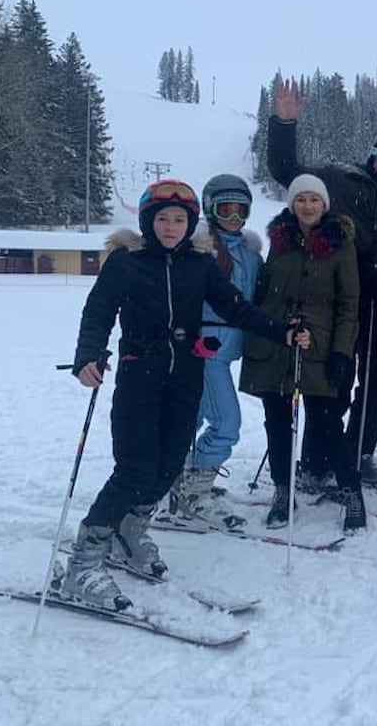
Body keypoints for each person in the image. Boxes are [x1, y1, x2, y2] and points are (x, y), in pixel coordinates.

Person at [63, 180, 307, 610]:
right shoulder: (126, 262)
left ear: (191, 223)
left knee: (170, 463)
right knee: (135, 469)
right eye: (162, 219)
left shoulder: (199, 264)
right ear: (147, 221)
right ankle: (83, 562)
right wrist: (89, 354)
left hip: (185, 379)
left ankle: (129, 531)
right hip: (140, 376)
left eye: (179, 219)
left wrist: (283, 332)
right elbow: (97, 312)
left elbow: (236, 307)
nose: (171, 227)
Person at [267, 80, 377, 488]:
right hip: (332, 303)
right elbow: (286, 172)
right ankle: (317, 461)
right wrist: (285, 123)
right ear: (372, 157)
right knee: (330, 383)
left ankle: (356, 456)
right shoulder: (339, 178)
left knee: (376, 389)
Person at [239, 175, 362, 532]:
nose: (307, 206)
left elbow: (348, 304)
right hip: (276, 343)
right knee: (277, 423)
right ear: (292, 204)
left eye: (314, 200)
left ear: (324, 205)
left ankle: (351, 490)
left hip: (319, 346)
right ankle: (283, 490)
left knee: (326, 424)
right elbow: (263, 293)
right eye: (301, 199)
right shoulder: (279, 240)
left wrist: (341, 352)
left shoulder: (342, 244)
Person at [169, 174, 263, 531]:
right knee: (226, 423)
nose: (234, 218)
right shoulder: (198, 250)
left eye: (241, 211)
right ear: (210, 208)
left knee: (190, 419)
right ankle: (193, 490)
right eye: (226, 209)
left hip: (230, 349)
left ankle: (175, 481)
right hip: (206, 348)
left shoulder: (250, 253)